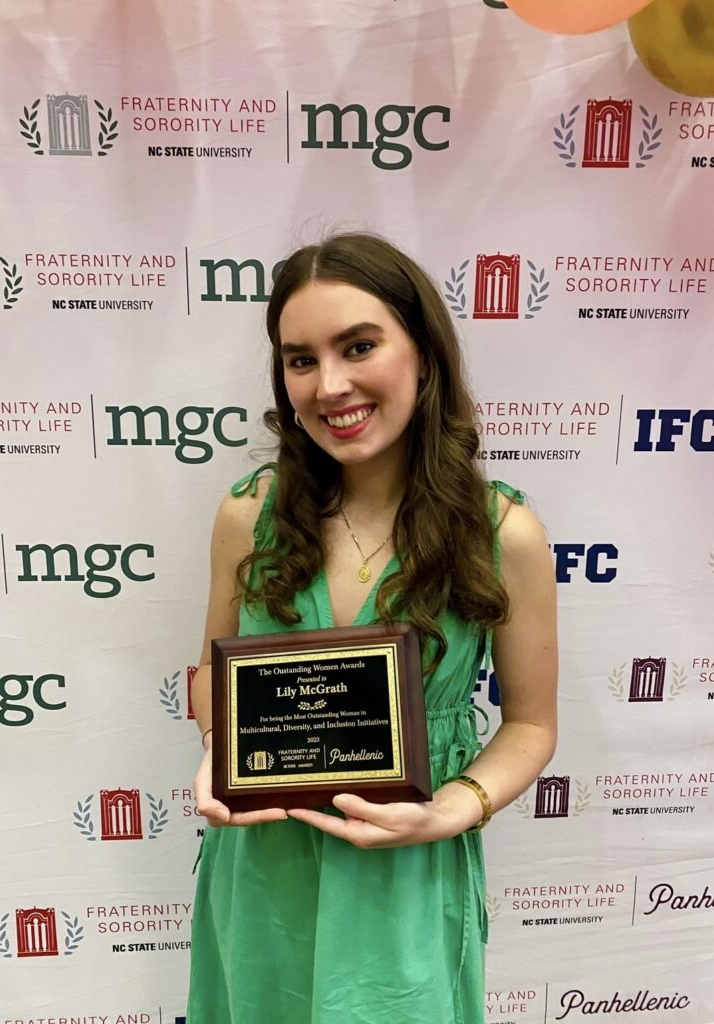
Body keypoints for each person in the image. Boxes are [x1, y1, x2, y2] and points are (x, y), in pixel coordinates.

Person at [187, 232, 557, 1024]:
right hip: (261, 872)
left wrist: (457, 806)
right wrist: (221, 751)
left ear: (422, 351)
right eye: (300, 359)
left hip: (407, 876)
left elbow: (530, 722)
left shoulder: (503, 535)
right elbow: (213, 680)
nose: (330, 385)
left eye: (359, 346)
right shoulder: (246, 515)